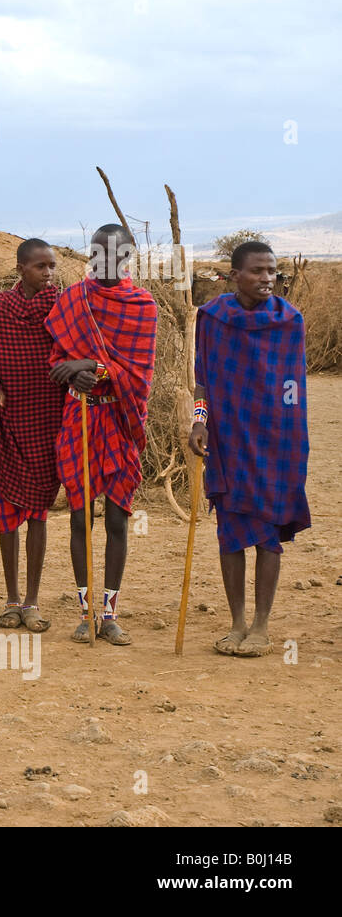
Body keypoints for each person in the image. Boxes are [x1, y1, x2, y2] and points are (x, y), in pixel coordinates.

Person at [189, 240, 310, 657]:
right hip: (228, 438)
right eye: (257, 271)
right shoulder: (213, 319)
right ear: (234, 275)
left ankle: (261, 626)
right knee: (232, 532)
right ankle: (237, 622)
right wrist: (199, 420)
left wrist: (293, 442)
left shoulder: (289, 321)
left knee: (268, 535)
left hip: (277, 441)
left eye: (272, 271)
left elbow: (293, 389)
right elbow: (202, 379)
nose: (266, 278)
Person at [46, 223, 157, 645]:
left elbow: (140, 376)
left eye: (115, 254)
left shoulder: (143, 307)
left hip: (119, 420)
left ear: (128, 257)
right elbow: (58, 361)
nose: (105, 262)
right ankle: (84, 612)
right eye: (97, 253)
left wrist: (93, 367)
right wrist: (77, 372)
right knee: (78, 516)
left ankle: (109, 614)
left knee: (116, 518)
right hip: (79, 415)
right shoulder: (72, 300)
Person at [0, 238, 64, 633]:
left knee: (39, 515)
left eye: (52, 266)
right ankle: (11, 598)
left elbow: (71, 354)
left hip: (47, 421)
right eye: (40, 267)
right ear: (20, 269)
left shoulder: (63, 308)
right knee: (7, 515)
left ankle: (32, 600)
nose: (48, 274)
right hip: (7, 421)